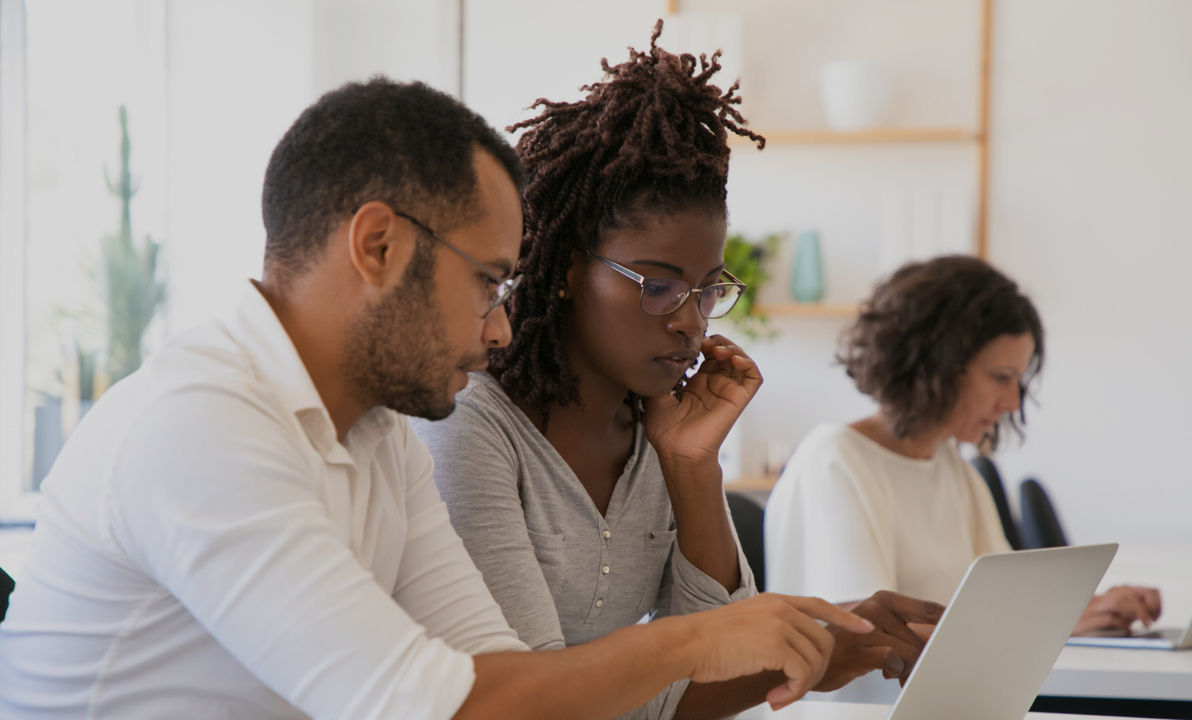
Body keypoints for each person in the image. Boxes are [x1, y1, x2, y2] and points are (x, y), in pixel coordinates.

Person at [0, 78, 873, 719]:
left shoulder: (379, 434)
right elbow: (440, 712)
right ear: (378, 246)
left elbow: (499, 681)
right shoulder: (202, 427)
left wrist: (756, 640)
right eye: (490, 283)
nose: (501, 330)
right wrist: (695, 640)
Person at [412, 24, 944, 720]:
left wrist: (692, 465)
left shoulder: (655, 429)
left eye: (706, 290)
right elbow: (539, 700)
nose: (691, 322)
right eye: (658, 285)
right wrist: (796, 651)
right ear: (571, 272)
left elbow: (726, 665)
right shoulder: (472, 427)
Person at [765, 255, 1161, 637]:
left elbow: (1012, 602)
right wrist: (1055, 623)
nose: (1013, 403)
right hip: (869, 707)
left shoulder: (949, 464)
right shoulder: (835, 460)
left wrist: (1095, 607)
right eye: (1001, 377)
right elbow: (869, 636)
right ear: (936, 365)